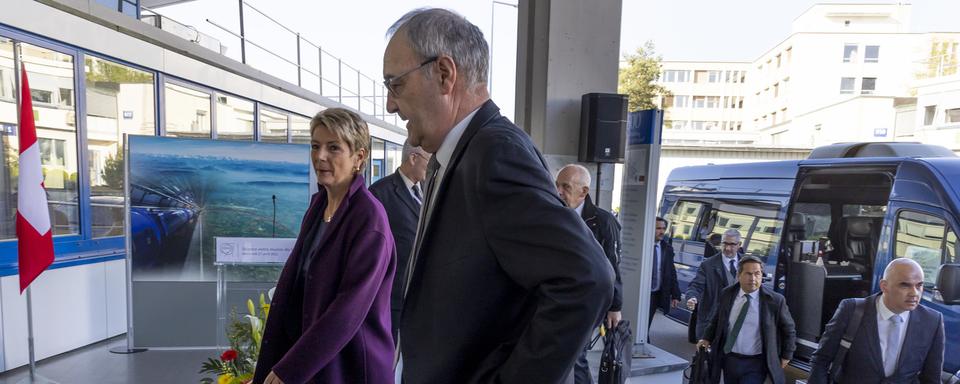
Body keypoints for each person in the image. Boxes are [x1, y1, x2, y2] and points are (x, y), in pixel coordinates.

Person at [384, 8, 614, 383]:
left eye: (396, 84)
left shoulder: (493, 154)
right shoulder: (462, 154)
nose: (391, 105)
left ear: (444, 74)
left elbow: (586, 279)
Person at [253, 108, 396, 384]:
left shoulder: (369, 219)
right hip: (318, 364)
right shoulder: (318, 206)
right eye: (315, 146)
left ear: (359, 156)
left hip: (352, 369)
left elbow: (347, 311)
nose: (320, 156)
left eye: (334, 148)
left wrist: (290, 369)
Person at [808, 258, 945, 384]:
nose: (915, 293)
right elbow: (821, 360)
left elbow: (931, 378)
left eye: (919, 285)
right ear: (884, 286)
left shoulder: (932, 321)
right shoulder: (851, 310)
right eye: (905, 285)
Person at [555, 164, 622, 384]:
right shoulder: (553, 214)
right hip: (560, 298)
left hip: (589, 300)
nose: (559, 192)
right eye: (557, 186)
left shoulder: (603, 222)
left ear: (583, 192)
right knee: (568, 354)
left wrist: (615, 306)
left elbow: (613, 265)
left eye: (565, 186)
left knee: (577, 354)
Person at [697, 256, 796, 384]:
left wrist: (787, 355)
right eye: (748, 274)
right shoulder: (727, 294)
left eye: (757, 274)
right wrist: (706, 338)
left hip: (756, 363)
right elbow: (716, 319)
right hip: (730, 359)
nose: (753, 278)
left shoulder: (775, 301)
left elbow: (789, 329)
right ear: (739, 275)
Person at [368, 140, 430, 342]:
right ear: (413, 158)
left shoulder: (427, 189)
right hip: (393, 296)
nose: (431, 166)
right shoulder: (380, 193)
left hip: (420, 294)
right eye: (428, 160)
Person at [686, 228, 742, 341]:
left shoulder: (747, 264)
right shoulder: (707, 265)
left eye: (732, 244)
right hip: (712, 320)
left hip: (738, 320)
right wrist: (692, 297)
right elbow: (696, 285)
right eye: (724, 243)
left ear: (739, 244)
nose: (727, 248)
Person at [650, 217, 681, 327]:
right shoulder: (644, 247)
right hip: (641, 292)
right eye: (658, 228)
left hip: (655, 293)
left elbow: (671, 272)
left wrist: (676, 295)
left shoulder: (667, 248)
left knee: (646, 323)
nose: (662, 231)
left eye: (663, 228)